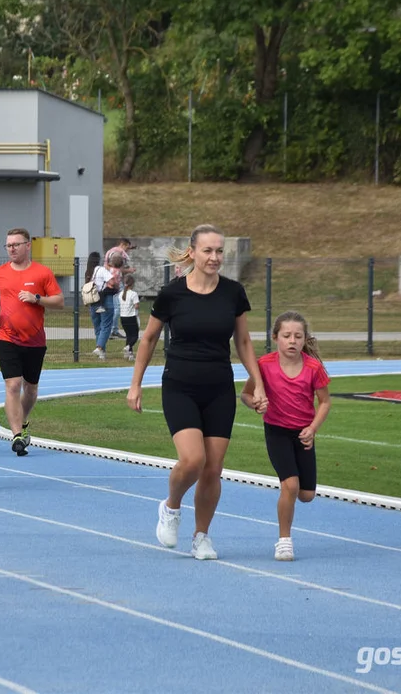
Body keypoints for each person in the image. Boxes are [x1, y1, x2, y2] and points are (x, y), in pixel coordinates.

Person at [126, 224, 267, 561]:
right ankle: (171, 507)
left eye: (219, 251)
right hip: (180, 385)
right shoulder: (172, 293)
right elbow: (147, 339)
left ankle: (202, 536)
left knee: (213, 470)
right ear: (192, 252)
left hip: (219, 387)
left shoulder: (233, 293)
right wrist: (135, 384)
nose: (215, 257)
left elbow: (244, 342)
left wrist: (258, 381)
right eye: (208, 250)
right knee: (193, 460)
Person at [241, 311, 331, 562]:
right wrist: (255, 404)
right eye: (287, 335)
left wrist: (312, 429)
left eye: (298, 336)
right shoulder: (264, 365)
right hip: (277, 430)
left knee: (306, 494)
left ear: (305, 340)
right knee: (289, 486)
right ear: (275, 338)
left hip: (303, 433)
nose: (292, 341)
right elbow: (246, 395)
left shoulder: (314, 368)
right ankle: (284, 542)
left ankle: (292, 500)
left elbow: (324, 402)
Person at [0, 227, 64, 455]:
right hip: (7, 337)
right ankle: (16, 435)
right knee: (12, 385)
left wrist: (37, 298)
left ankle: (23, 421)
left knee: (30, 389)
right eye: (8, 245)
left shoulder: (42, 273)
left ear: (28, 245)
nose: (11, 248)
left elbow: (59, 301)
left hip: (35, 340)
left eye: (16, 244)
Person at [84, 252, 113, 360]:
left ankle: (102, 353)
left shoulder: (88, 272)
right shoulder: (101, 270)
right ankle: (99, 347)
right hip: (103, 300)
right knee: (106, 325)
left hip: (93, 301)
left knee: (98, 327)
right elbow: (112, 281)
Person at [105, 238, 136, 338]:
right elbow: (117, 269)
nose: (127, 250)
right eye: (127, 247)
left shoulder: (111, 252)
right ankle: (111, 331)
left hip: (113, 283)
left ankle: (114, 330)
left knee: (114, 307)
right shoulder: (117, 254)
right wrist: (129, 270)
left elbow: (109, 266)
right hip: (115, 284)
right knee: (117, 308)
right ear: (123, 244)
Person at [119, 274, 141, 361]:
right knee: (135, 336)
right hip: (131, 316)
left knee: (128, 335)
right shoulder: (133, 294)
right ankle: (128, 347)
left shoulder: (121, 294)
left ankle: (129, 354)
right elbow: (136, 306)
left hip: (123, 317)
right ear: (132, 284)